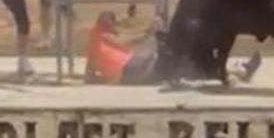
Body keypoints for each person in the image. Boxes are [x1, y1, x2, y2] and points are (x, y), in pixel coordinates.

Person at [85, 11, 262, 85]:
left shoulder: (97, 43)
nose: (115, 26)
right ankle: (237, 71)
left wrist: (105, 79)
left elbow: (89, 76)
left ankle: (237, 70)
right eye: (112, 23)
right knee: (178, 65)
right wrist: (148, 32)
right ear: (104, 23)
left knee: (179, 66)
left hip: (133, 68)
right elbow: (126, 40)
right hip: (131, 69)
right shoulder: (100, 34)